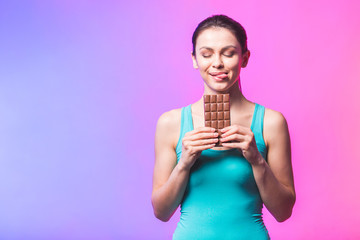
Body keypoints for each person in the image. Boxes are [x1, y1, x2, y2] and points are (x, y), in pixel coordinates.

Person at [151, 14, 295, 239]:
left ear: (244, 58)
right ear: (194, 60)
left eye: (228, 53)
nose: (217, 63)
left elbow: (283, 211)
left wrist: (257, 160)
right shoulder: (171, 123)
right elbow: (161, 212)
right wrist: (184, 163)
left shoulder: (271, 122)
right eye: (206, 54)